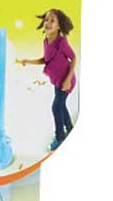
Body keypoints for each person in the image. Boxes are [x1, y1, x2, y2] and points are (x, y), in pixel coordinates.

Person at [17, 9, 77, 150]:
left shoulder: (61, 42)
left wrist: (68, 79)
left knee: (56, 107)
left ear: (59, 26)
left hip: (66, 81)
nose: (48, 23)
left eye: (52, 21)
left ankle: (60, 137)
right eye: (47, 20)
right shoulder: (46, 41)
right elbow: (46, 59)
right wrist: (28, 61)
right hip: (57, 81)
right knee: (61, 105)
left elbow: (74, 58)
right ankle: (69, 128)